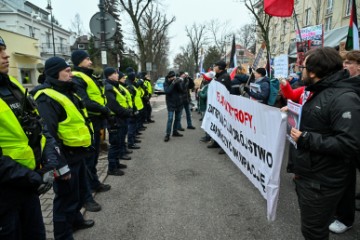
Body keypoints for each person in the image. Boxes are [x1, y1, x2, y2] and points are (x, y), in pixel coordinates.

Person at [0, 37, 70, 239]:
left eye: (5, 50)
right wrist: (34, 177)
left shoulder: (12, 85)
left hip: (28, 188)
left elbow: (40, 127)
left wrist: (49, 165)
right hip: (6, 195)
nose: (5, 55)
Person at [290, 47, 360, 240]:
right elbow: (319, 123)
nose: (300, 70)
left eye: (303, 67)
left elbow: (349, 144)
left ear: (312, 72)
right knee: (314, 228)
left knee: (313, 231)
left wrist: (305, 138)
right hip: (312, 175)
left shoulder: (343, 98)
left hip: (321, 182)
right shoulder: (320, 91)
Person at [33, 57, 98, 239]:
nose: (71, 73)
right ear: (55, 73)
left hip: (77, 154)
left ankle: (76, 220)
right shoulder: (46, 98)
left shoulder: (68, 91)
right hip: (66, 158)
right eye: (67, 71)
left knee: (75, 196)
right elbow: (49, 136)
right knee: (64, 202)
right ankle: (63, 236)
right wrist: (60, 167)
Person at [327, 49, 360, 234]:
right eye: (344, 62)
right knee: (346, 180)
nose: (344, 65)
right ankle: (345, 218)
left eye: (349, 63)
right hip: (348, 141)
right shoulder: (343, 84)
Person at [71, 50, 111, 195]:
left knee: (93, 158)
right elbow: (85, 102)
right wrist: (104, 109)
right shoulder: (77, 78)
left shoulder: (89, 76)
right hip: (89, 122)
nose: (90, 61)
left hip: (97, 120)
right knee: (88, 160)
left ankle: (94, 184)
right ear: (79, 61)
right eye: (87, 59)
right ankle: (87, 194)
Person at [103, 67, 132, 176]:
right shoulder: (108, 87)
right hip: (114, 120)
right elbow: (113, 105)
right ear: (109, 75)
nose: (117, 75)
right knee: (114, 144)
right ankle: (112, 168)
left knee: (119, 142)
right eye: (115, 73)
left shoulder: (114, 86)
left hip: (120, 118)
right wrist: (127, 112)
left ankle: (116, 163)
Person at [163, 71, 184, 142]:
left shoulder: (177, 82)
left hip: (179, 103)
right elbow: (168, 91)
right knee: (170, 119)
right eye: (172, 77)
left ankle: (175, 132)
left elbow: (182, 90)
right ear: (169, 78)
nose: (173, 78)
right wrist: (173, 83)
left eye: (174, 77)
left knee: (177, 119)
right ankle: (167, 134)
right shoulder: (165, 83)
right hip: (170, 103)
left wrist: (178, 83)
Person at [125, 68, 142, 150]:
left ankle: (133, 140)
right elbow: (130, 98)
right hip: (132, 108)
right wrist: (133, 109)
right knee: (131, 126)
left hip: (135, 107)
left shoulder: (131, 83)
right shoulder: (129, 85)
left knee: (134, 125)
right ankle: (131, 143)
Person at [198, 71, 215, 142]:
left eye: (204, 78)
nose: (203, 79)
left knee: (207, 122)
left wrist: (199, 92)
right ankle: (207, 136)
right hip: (203, 106)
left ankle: (208, 137)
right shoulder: (206, 86)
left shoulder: (209, 86)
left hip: (205, 106)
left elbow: (204, 96)